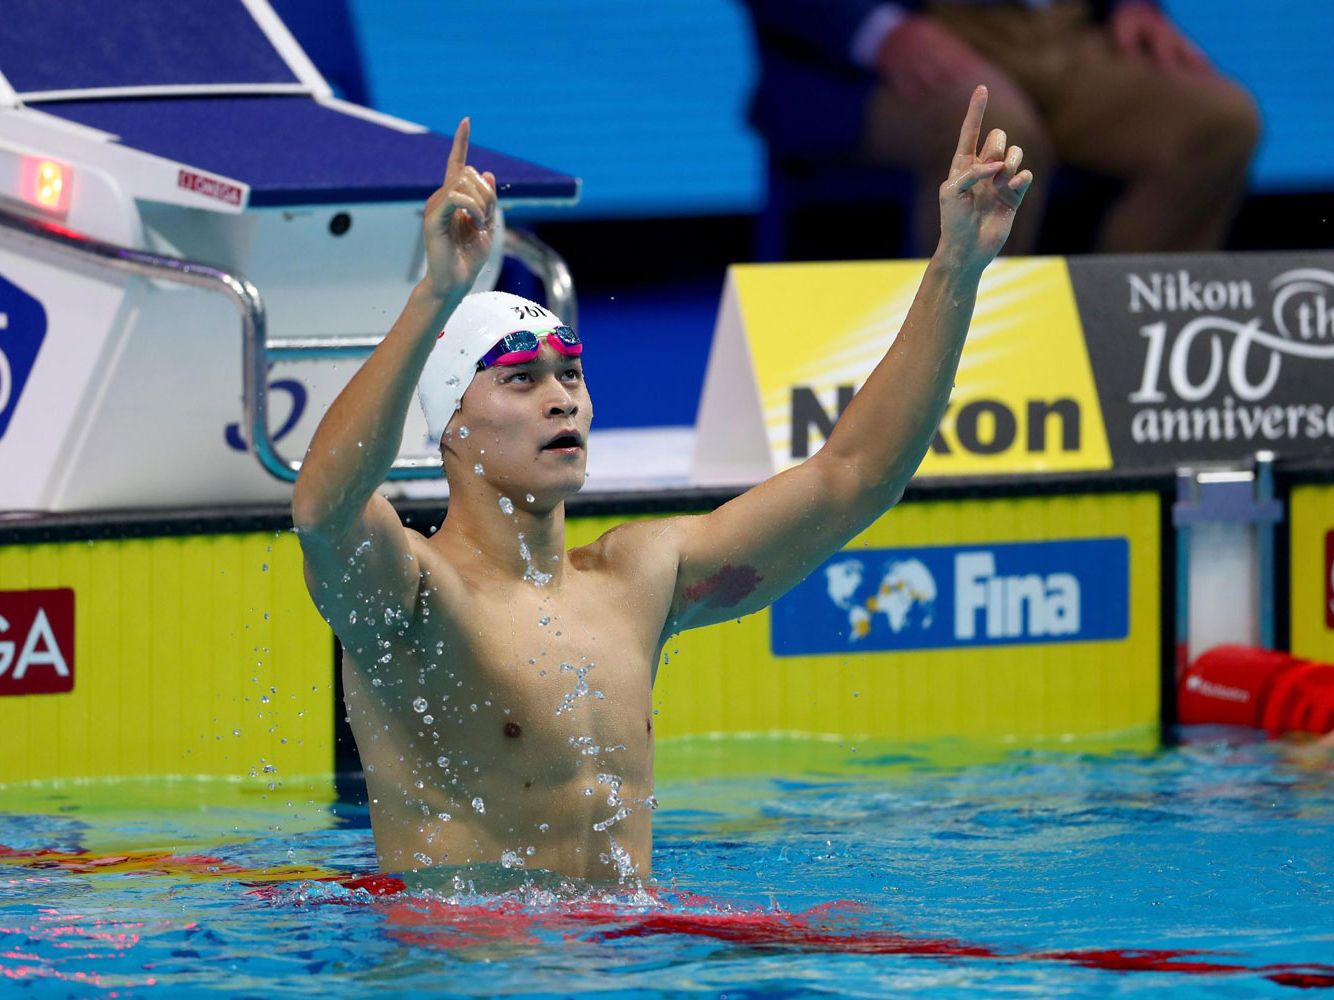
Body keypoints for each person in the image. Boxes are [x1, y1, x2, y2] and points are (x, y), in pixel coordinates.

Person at [291, 88, 1032, 884]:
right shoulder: (409, 598)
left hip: (626, 953)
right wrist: (436, 294)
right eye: (520, 380)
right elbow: (324, 506)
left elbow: (853, 478)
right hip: (471, 960)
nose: (560, 397)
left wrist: (958, 262)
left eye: (571, 375)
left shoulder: (636, 579)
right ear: (450, 426)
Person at [741, 0, 1260, 256]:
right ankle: (960, 374)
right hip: (910, 31)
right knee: (997, 138)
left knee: (1218, 124)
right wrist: (879, 30)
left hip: (1068, 30)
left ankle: (1129, 359)